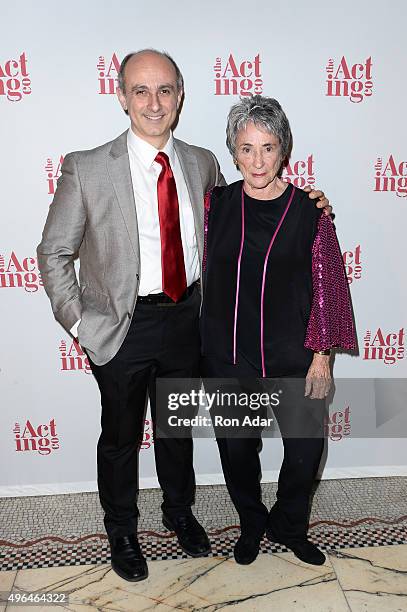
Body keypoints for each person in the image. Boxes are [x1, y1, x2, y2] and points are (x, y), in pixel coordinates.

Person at [37, 50, 331, 582]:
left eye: (165, 90)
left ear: (180, 96)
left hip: (191, 320)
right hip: (121, 327)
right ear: (121, 96)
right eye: (141, 91)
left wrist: (313, 203)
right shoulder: (86, 166)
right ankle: (122, 531)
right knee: (121, 437)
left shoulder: (200, 163)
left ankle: (180, 514)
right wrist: (80, 323)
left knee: (175, 431)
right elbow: (53, 252)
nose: (154, 102)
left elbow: (248, 218)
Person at [201, 95, 356, 567]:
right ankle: (251, 523)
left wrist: (322, 356)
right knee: (237, 451)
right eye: (246, 148)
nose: (258, 160)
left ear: (284, 148)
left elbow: (328, 287)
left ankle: (289, 526)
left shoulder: (310, 212)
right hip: (229, 355)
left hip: (293, 354)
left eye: (268, 147)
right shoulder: (215, 204)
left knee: (307, 449)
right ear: (232, 152)